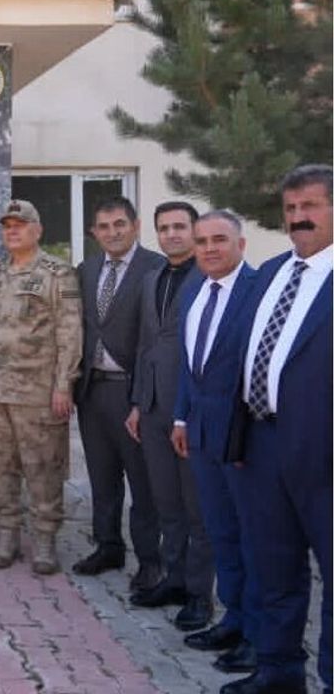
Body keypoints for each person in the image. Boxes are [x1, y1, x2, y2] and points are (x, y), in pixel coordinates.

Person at [225, 164, 332, 694]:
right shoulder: (268, 273)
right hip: (262, 446)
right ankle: (279, 671)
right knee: (274, 567)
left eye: (311, 206)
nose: (298, 219)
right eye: (291, 209)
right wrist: (237, 437)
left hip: (324, 454)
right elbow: (242, 360)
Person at [170, 210, 259, 678]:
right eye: (202, 240)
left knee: (252, 537)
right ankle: (233, 618)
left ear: (241, 244)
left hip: (244, 437)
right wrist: (182, 416)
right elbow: (190, 363)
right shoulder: (196, 291)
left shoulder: (259, 290)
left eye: (219, 240)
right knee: (221, 531)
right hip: (201, 432)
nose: (208, 248)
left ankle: (258, 635)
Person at [124, 202, 215, 631]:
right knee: (167, 503)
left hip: (194, 411)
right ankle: (174, 580)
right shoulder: (151, 279)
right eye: (165, 228)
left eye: (180, 226)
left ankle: (200, 594)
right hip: (156, 407)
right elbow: (145, 345)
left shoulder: (212, 276)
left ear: (194, 230)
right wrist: (139, 404)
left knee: (198, 507)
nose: (172, 234)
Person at [0, 200, 81, 575]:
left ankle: (44, 538)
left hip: (38, 392)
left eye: (20, 225)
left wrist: (63, 385)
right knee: (0, 466)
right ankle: (8, 532)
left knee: (42, 467)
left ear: (37, 230)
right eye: (7, 225)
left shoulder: (58, 273)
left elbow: (70, 333)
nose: (12, 231)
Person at [72, 196, 166, 590]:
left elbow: (155, 340)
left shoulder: (156, 269)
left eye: (119, 225)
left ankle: (150, 560)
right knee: (102, 476)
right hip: (93, 391)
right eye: (104, 226)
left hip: (132, 393)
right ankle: (108, 546)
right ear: (94, 232)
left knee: (143, 483)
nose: (112, 233)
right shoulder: (86, 269)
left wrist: (140, 401)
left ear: (135, 225)